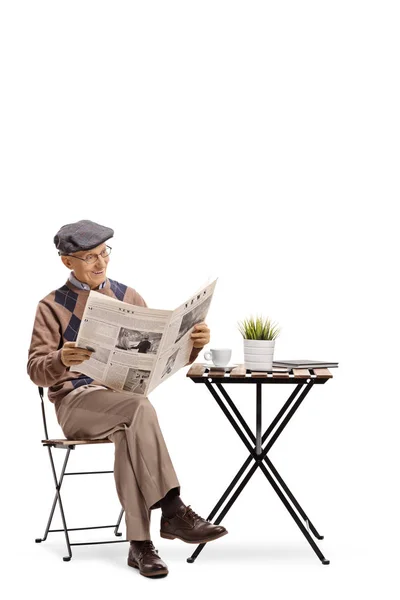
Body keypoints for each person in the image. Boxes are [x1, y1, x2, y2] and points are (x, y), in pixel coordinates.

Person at [27, 219, 227, 578]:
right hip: (76, 403)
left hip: (121, 406)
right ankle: (172, 508)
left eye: (104, 254)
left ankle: (140, 546)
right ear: (66, 262)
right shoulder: (51, 305)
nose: (100, 263)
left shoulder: (128, 296)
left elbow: (155, 359)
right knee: (137, 409)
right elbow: (35, 370)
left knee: (127, 427)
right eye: (89, 257)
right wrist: (60, 359)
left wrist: (193, 346)